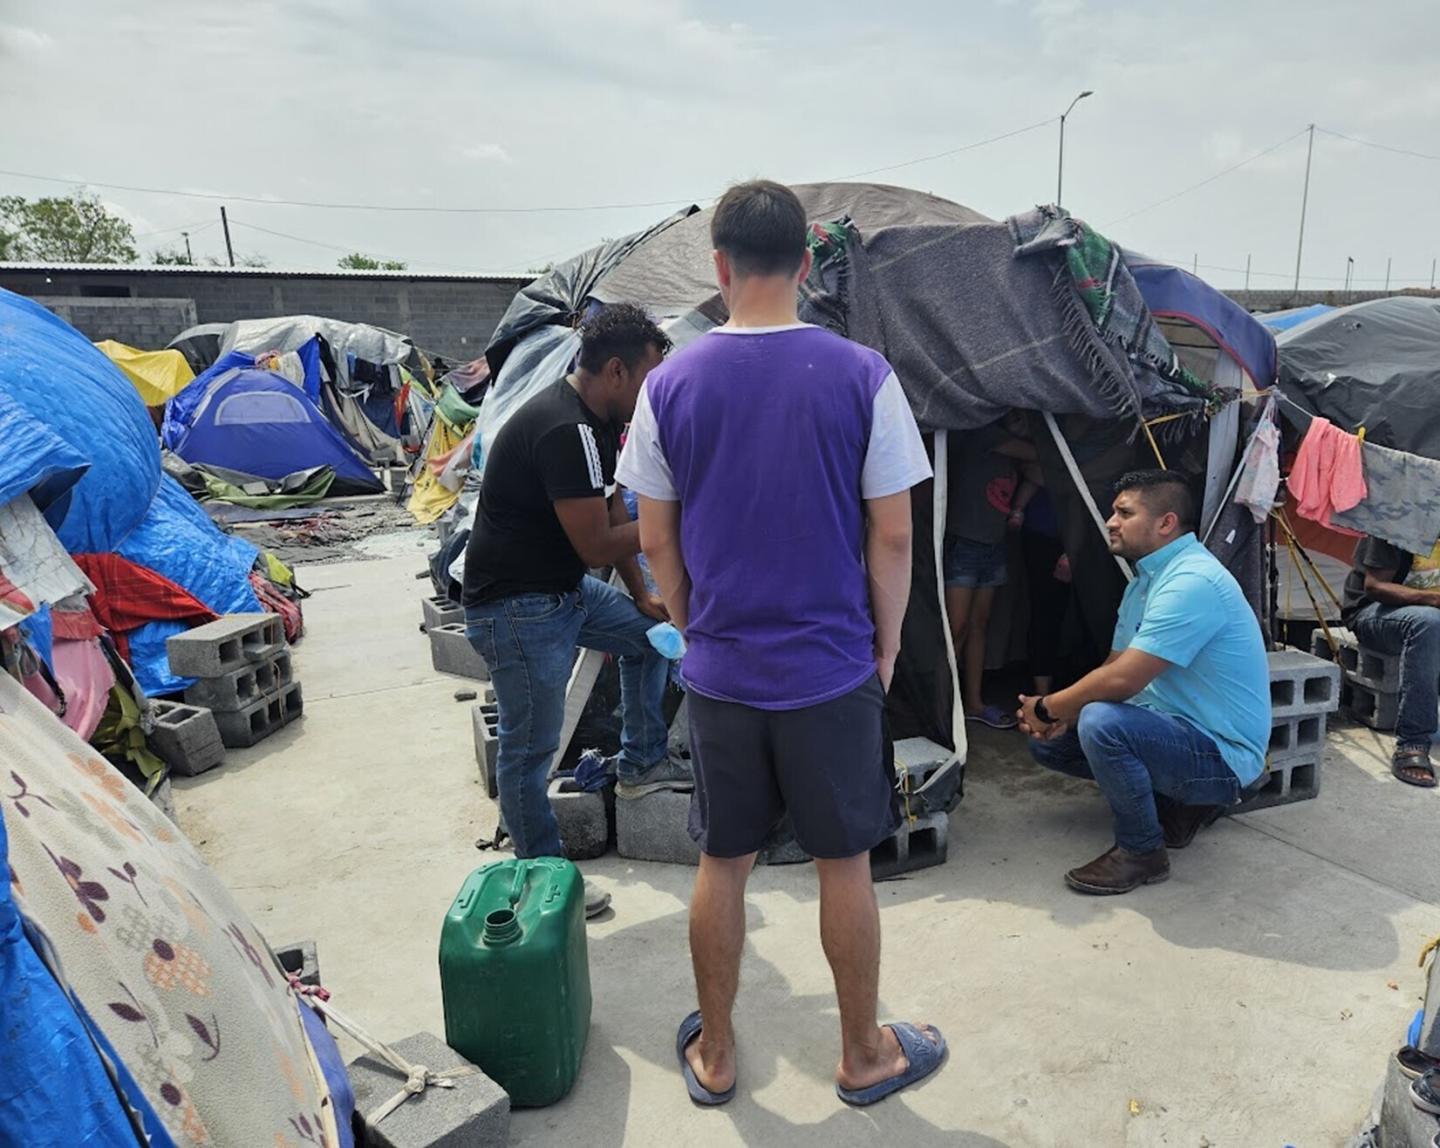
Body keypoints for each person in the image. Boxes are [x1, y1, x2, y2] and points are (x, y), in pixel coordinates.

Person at [617, 180, 945, 1107]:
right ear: (807, 263)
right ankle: (862, 1056)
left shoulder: (667, 384)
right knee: (845, 863)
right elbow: (892, 536)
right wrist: (882, 650)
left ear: (719, 268)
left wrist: (690, 626)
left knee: (723, 861)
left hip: (720, 671)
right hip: (831, 669)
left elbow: (653, 539)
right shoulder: (862, 376)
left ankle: (717, 1058)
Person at [461, 304, 691, 918]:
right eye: (648, 378)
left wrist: (643, 597)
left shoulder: (596, 423)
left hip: (560, 591)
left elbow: (611, 510)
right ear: (616, 371)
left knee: (650, 636)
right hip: (516, 608)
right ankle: (544, 881)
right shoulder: (564, 429)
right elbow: (595, 543)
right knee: (528, 750)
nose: (652, 393)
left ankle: (642, 763)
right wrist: (670, 522)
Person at [1016, 470, 1271, 895]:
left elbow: (1123, 679)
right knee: (1051, 742)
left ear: (1166, 523)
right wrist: (1061, 716)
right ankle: (1183, 804)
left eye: (1124, 512)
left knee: (1101, 722)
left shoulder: (1192, 581)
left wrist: (1048, 707)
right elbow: (1114, 664)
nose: (1110, 521)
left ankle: (1142, 851)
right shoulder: (1144, 583)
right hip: (1173, 729)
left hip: (1223, 754)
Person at [944, 422, 1034, 729]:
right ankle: (942, 705)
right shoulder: (983, 432)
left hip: (994, 544)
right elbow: (1038, 454)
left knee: (979, 624)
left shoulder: (1009, 444)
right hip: (965, 542)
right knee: (956, 629)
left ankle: (974, 702)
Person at [1341, 534, 1440, 787]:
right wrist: (1433, 599)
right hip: (1374, 611)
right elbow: (1375, 586)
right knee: (1428, 622)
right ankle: (1412, 744)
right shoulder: (1397, 518)